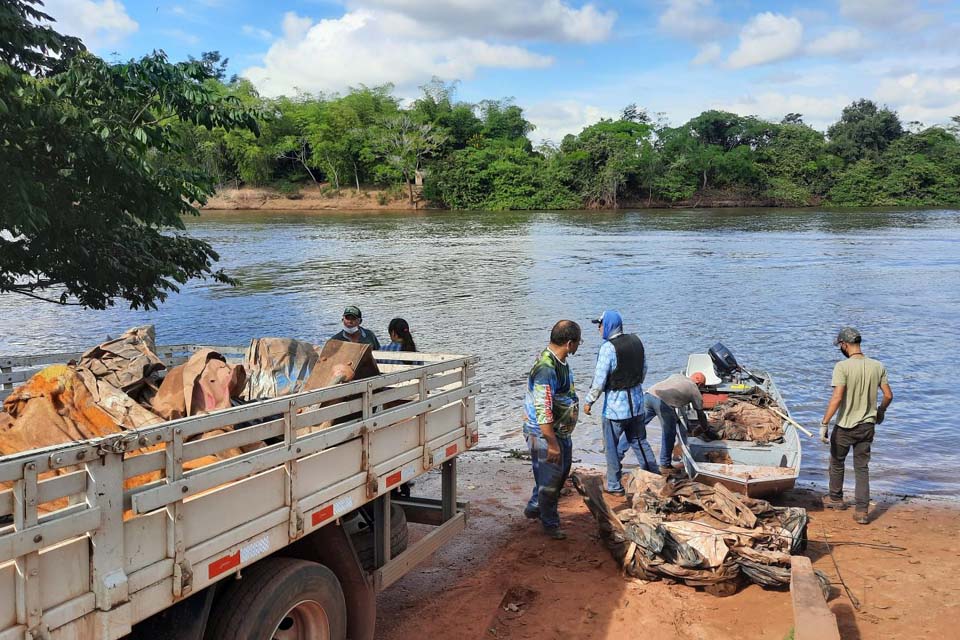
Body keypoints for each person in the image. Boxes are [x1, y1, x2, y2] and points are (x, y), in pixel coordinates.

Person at [819, 327, 893, 524]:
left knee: (836, 461)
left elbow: (837, 397)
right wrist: (880, 412)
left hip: (845, 426)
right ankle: (862, 512)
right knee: (862, 468)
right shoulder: (877, 366)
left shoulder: (842, 367)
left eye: (840, 346)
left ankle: (836, 499)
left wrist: (824, 423)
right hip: (867, 425)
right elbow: (888, 395)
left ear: (844, 345)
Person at [583, 310, 657, 496]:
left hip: (615, 409)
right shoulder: (636, 341)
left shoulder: (608, 348)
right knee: (640, 442)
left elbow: (599, 380)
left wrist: (589, 401)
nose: (599, 329)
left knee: (611, 447)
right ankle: (654, 478)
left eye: (600, 325)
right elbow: (644, 368)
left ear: (608, 325)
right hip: (637, 404)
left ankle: (615, 485)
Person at [523, 320, 581, 540]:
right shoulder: (547, 369)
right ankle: (550, 523)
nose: (579, 346)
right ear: (569, 343)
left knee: (560, 472)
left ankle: (535, 506)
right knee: (551, 480)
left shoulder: (560, 361)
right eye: (578, 342)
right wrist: (552, 443)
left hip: (560, 431)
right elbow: (543, 410)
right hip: (545, 433)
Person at [636, 372, 710, 474]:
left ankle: (618, 452)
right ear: (698, 382)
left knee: (635, 429)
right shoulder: (694, 389)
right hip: (662, 402)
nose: (700, 389)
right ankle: (665, 464)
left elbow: (674, 397)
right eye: (702, 386)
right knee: (669, 433)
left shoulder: (678, 376)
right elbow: (700, 414)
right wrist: (706, 429)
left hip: (648, 395)